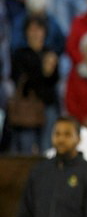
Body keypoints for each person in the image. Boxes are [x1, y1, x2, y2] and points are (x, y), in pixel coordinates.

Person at [7, 17, 59, 154]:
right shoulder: (19, 54)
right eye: (32, 29)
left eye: (39, 29)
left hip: (47, 105)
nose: (35, 33)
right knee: (26, 149)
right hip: (27, 108)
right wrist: (43, 70)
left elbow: (54, 80)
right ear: (26, 32)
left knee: (47, 148)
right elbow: (20, 80)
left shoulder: (50, 53)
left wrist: (49, 71)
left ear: (44, 32)